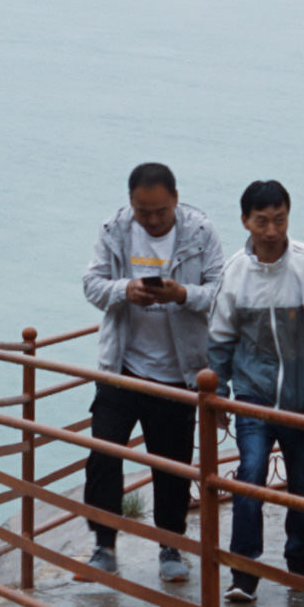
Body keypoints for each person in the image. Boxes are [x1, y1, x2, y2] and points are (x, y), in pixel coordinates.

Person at [204, 180, 304, 605]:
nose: (271, 230)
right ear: (246, 221)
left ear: (289, 216)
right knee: (250, 475)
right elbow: (220, 338)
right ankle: (244, 573)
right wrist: (221, 392)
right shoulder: (234, 272)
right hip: (253, 395)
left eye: (279, 220)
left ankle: (299, 566)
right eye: (262, 221)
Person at [77, 163, 222, 582]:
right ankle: (103, 546)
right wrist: (126, 290)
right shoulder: (115, 229)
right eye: (144, 212)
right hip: (122, 367)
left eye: (160, 211)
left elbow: (219, 292)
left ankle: (170, 548)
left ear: (175, 199)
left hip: (179, 371)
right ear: (131, 205)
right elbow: (91, 284)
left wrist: (182, 295)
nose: (153, 219)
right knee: (104, 456)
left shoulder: (200, 232)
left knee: (172, 465)